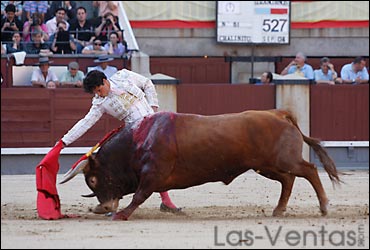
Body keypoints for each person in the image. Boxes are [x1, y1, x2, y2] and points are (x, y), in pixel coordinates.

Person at [59, 69, 181, 214]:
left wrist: (153, 107)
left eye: (99, 90)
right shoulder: (99, 103)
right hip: (135, 136)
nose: (99, 94)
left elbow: (147, 83)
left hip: (154, 128)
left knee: (158, 164)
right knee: (136, 169)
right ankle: (113, 202)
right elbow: (85, 123)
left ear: (105, 81)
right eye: (95, 92)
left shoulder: (123, 75)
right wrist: (64, 141)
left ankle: (165, 202)